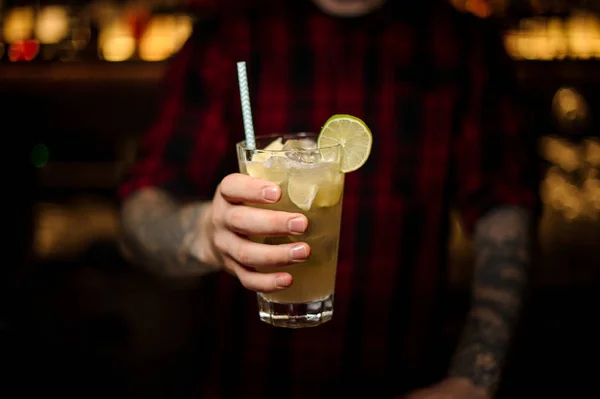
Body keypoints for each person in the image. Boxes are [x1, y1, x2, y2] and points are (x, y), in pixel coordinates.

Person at [119, 0, 539, 397]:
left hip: (408, 383)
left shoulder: (462, 44)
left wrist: (475, 374)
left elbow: (506, 208)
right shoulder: (229, 35)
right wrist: (204, 235)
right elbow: (140, 212)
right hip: (245, 383)